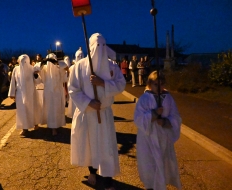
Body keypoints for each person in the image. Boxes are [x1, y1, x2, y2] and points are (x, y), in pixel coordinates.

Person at [68, 33, 126, 190]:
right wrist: (88, 103)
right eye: (96, 46)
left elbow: (121, 85)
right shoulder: (79, 67)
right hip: (87, 113)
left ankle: (108, 179)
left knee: (105, 146)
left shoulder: (112, 66)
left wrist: (103, 83)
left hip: (104, 113)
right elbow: (73, 89)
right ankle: (92, 171)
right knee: (89, 145)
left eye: (102, 45)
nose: (99, 49)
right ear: (90, 47)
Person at [134, 70, 182, 190]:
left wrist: (166, 121)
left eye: (161, 84)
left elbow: (175, 116)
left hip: (162, 136)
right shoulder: (144, 98)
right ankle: (150, 186)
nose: (159, 87)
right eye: (156, 84)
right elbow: (138, 118)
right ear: (150, 84)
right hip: (147, 136)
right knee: (149, 163)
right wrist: (154, 114)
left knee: (161, 162)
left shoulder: (168, 98)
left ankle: (160, 186)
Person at [8, 54, 41, 136]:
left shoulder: (32, 68)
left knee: (33, 109)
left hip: (31, 93)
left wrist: (36, 75)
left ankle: (35, 124)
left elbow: (38, 81)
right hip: (20, 94)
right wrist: (12, 93)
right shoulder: (16, 69)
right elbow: (13, 81)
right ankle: (24, 128)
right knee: (22, 111)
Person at [39, 53, 68, 136]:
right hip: (48, 92)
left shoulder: (59, 68)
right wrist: (43, 61)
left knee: (57, 109)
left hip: (58, 92)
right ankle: (52, 127)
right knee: (50, 109)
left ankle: (56, 126)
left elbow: (66, 68)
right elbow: (36, 69)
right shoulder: (44, 69)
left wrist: (56, 62)